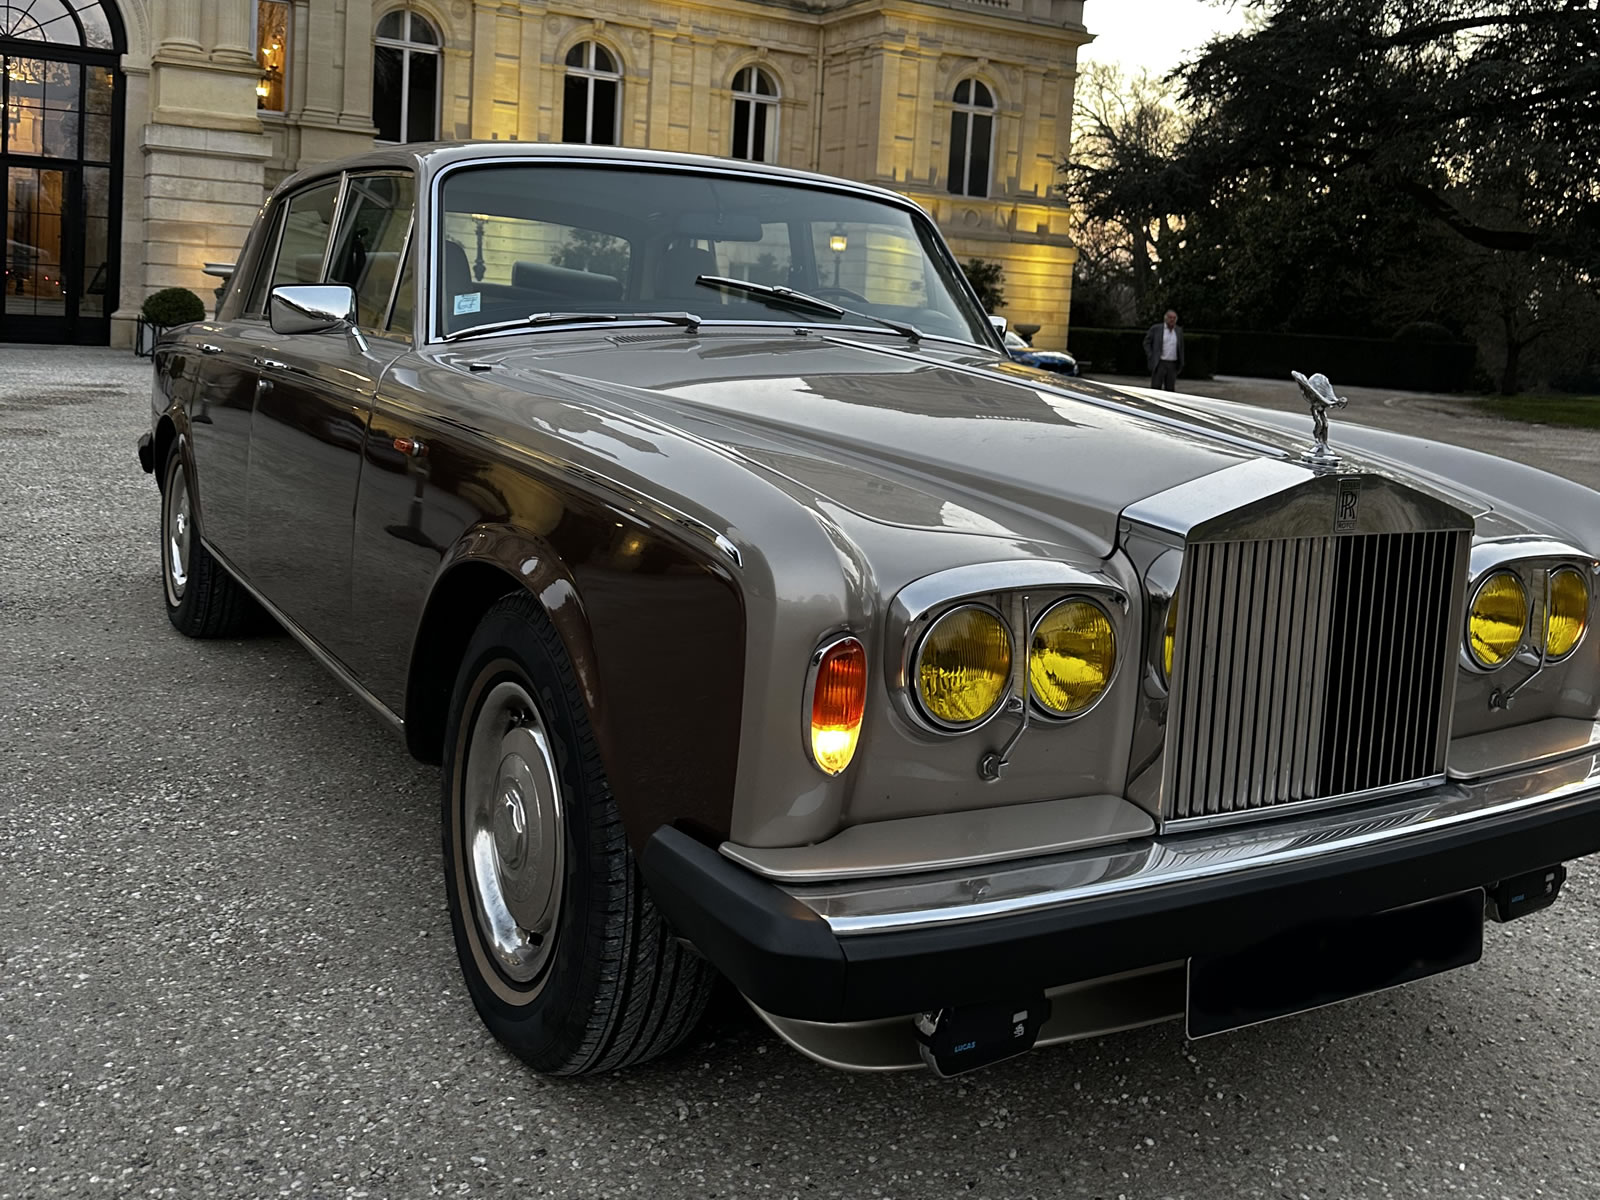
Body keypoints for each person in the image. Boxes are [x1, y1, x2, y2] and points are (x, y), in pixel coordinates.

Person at [1143, 309, 1184, 391]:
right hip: (1160, 362)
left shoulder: (1178, 331)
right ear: (1166, 318)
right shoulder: (1156, 329)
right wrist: (1151, 355)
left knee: (1170, 388)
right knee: (1156, 387)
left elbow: (1181, 347)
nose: (1172, 320)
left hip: (1173, 363)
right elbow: (1147, 342)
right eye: (1170, 318)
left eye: (1174, 318)